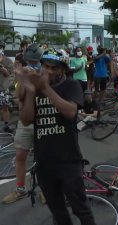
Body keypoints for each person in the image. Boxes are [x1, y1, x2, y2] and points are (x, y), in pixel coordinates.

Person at [17, 48, 96, 225]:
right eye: (46, 66)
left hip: (68, 159)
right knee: (57, 210)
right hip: (44, 161)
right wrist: (30, 91)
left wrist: (45, 89)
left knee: (80, 208)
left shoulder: (71, 85)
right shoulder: (35, 88)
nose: (50, 71)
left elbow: (70, 113)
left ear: (62, 68)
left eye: (55, 67)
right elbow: (26, 120)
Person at [2, 43, 43, 204]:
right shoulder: (23, 73)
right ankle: (20, 189)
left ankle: (46, 189)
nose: (33, 64)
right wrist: (23, 79)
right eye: (30, 61)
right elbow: (19, 96)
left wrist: (38, 77)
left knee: (44, 158)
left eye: (36, 61)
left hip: (43, 120)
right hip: (25, 121)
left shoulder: (46, 72)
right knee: (20, 156)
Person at [0, 40, 14, 133]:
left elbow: (8, 74)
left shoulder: (8, 61)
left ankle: (6, 125)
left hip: (3, 87)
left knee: (5, 107)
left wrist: (1, 67)